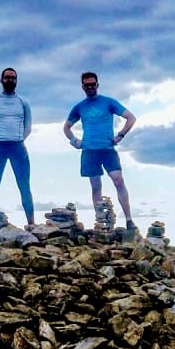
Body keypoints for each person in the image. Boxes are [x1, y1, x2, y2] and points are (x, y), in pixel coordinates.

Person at [63, 71, 137, 232]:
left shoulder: (108, 102)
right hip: (89, 151)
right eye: (87, 85)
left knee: (118, 180)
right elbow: (66, 127)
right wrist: (74, 141)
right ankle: (101, 222)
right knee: (96, 186)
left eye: (92, 84)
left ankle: (129, 220)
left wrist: (121, 135)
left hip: (108, 149)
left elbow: (131, 118)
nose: (90, 87)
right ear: (83, 87)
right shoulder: (79, 107)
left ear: (97, 85)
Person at [0, 67, 35, 229]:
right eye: (7, 77)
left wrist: (19, 139)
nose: (10, 80)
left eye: (13, 78)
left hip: (18, 147)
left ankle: (31, 224)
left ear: (16, 81)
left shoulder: (23, 102)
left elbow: (28, 127)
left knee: (24, 186)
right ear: (1, 80)